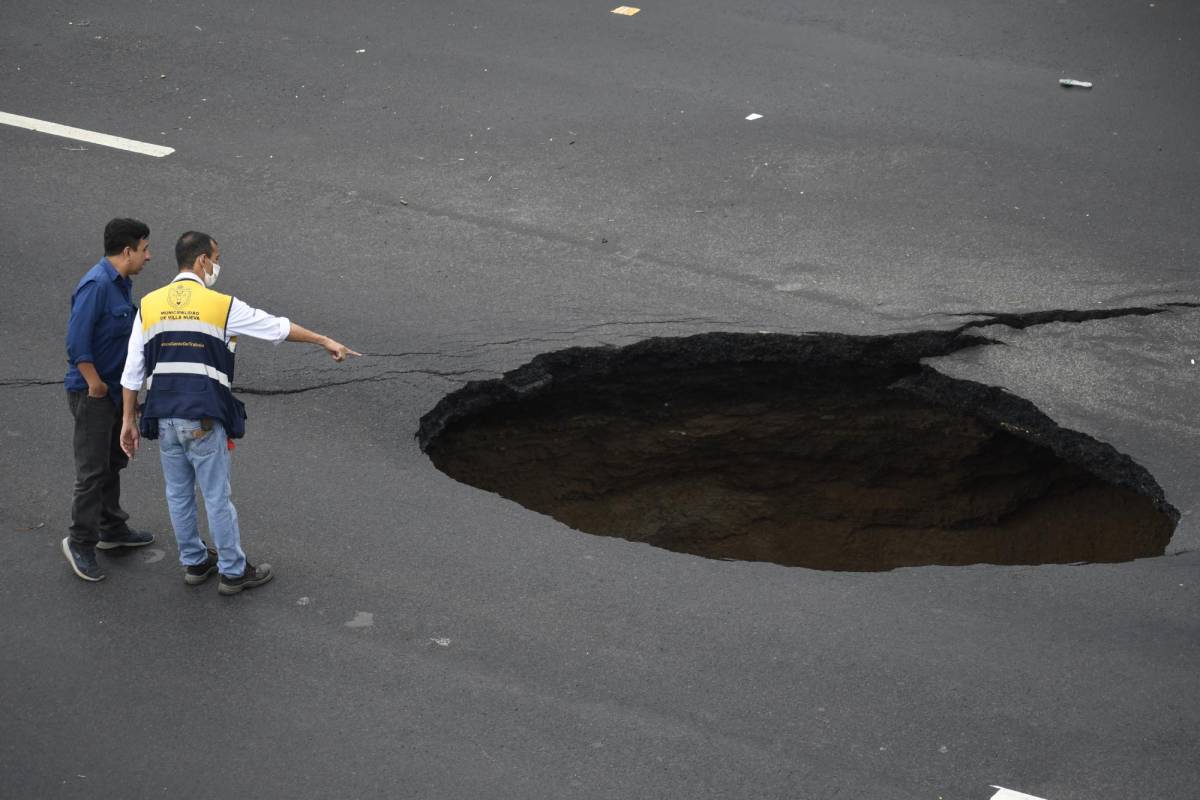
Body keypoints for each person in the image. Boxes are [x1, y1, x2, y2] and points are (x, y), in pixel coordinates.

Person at [119, 231, 359, 595]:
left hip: (162, 417)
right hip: (201, 416)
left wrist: (127, 421)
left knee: (178, 494)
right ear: (201, 261)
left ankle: (195, 563)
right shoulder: (221, 305)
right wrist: (325, 340)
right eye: (215, 258)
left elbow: (133, 371)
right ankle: (233, 571)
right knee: (216, 496)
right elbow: (276, 328)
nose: (217, 266)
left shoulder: (149, 305)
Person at [62, 218, 157, 582]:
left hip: (117, 391)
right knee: (92, 471)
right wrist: (95, 384)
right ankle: (81, 542)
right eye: (145, 249)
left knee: (113, 460)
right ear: (128, 250)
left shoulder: (121, 285)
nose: (149, 256)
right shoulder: (97, 285)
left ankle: (111, 528)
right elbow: (76, 343)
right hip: (94, 393)